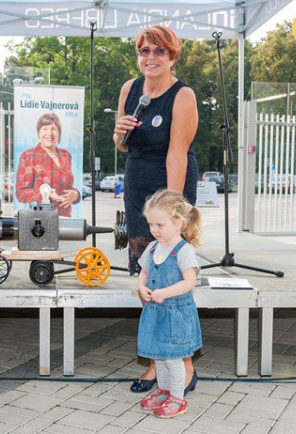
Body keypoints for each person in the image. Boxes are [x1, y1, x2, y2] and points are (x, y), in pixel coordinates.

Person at [112, 25, 199, 394]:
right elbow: (121, 145)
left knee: (171, 279)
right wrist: (118, 131)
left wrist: (172, 213)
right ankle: (153, 364)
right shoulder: (129, 90)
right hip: (137, 188)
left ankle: (185, 366)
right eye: (144, 50)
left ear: (172, 56)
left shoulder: (183, 96)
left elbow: (177, 153)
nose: (150, 57)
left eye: (158, 51)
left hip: (170, 184)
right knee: (147, 278)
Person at [137, 190, 202, 418]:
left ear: (177, 223)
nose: (154, 230)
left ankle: (178, 398)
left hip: (176, 316)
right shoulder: (153, 247)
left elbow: (189, 282)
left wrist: (164, 292)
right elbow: (143, 272)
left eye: (160, 225)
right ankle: (163, 391)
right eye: (151, 225)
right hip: (156, 313)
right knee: (159, 355)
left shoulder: (184, 251)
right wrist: (142, 287)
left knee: (174, 359)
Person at [16, 113, 80, 217]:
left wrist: (76, 195)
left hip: (65, 218)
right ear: (39, 133)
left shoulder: (66, 155)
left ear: (59, 132)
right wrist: (45, 193)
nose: (49, 133)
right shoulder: (29, 156)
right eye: (45, 128)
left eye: (54, 129)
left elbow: (67, 187)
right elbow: (21, 194)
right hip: (40, 221)